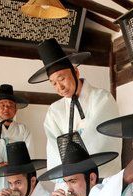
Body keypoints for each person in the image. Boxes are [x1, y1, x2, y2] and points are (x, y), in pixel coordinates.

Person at [28, 38, 122, 178]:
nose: (60, 87)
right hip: (70, 180)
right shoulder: (54, 110)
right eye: (53, 83)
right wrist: (66, 177)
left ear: (76, 73)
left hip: (102, 178)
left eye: (62, 79)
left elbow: (101, 140)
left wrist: (76, 167)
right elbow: (54, 147)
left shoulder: (102, 98)